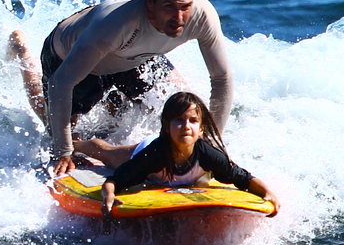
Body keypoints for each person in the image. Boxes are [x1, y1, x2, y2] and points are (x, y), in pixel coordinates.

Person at [8, 0, 233, 179]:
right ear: (150, 3)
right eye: (169, 7)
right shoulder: (115, 24)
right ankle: (23, 54)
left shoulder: (202, 16)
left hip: (135, 57)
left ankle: (110, 115)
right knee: (56, 126)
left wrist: (212, 145)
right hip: (72, 57)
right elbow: (61, 83)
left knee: (180, 104)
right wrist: (64, 151)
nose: (178, 18)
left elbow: (221, 79)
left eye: (185, 7)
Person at [80, 91, 278, 220]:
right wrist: (109, 195)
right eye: (179, 120)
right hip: (147, 148)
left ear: (201, 129)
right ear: (167, 126)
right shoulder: (153, 155)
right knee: (106, 154)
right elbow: (114, 180)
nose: (185, 126)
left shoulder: (208, 155)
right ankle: (76, 143)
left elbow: (243, 178)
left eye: (192, 121)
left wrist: (268, 194)